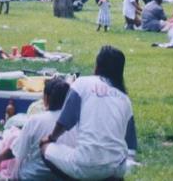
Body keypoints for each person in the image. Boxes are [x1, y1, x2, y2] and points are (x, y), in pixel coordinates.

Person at [40, 46, 137, 180]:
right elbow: (131, 146)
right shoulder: (125, 99)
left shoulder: (82, 84)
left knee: (45, 148)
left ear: (98, 66)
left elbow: (65, 122)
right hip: (116, 168)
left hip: (86, 166)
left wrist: (50, 139)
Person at [0, 78, 76, 180]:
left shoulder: (36, 121)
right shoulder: (76, 121)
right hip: (66, 176)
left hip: (34, 176)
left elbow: (15, 151)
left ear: (46, 98)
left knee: (14, 143)